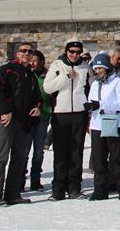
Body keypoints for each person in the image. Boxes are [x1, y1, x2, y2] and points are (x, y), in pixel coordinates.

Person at [0, 43, 41, 207]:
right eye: (23, 51)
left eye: (30, 51)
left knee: (20, 158)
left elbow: (37, 97)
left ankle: (12, 194)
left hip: (24, 122)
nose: (26, 53)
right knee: (1, 157)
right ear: (17, 53)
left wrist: (37, 108)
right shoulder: (7, 70)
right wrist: (6, 110)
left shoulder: (30, 75)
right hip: (7, 120)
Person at [42, 40, 93, 201]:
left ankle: (74, 188)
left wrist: (89, 106)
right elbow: (47, 87)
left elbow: (92, 88)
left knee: (76, 152)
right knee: (60, 152)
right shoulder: (57, 65)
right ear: (66, 51)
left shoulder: (85, 67)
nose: (74, 55)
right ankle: (58, 189)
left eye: (77, 52)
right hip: (60, 114)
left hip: (79, 113)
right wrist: (65, 77)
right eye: (71, 51)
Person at [88, 53, 120, 200]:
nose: (98, 71)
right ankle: (100, 190)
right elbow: (92, 101)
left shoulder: (118, 82)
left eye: (100, 68)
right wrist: (90, 107)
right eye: (96, 68)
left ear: (107, 67)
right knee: (98, 159)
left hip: (113, 122)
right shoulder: (95, 84)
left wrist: (101, 104)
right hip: (97, 125)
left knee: (117, 157)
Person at [24, 51, 51, 191]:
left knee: (39, 151)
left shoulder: (48, 76)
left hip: (43, 117)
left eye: (35, 60)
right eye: (31, 60)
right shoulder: (27, 74)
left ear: (42, 62)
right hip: (27, 118)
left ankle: (35, 180)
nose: (33, 63)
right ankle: (20, 179)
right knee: (24, 150)